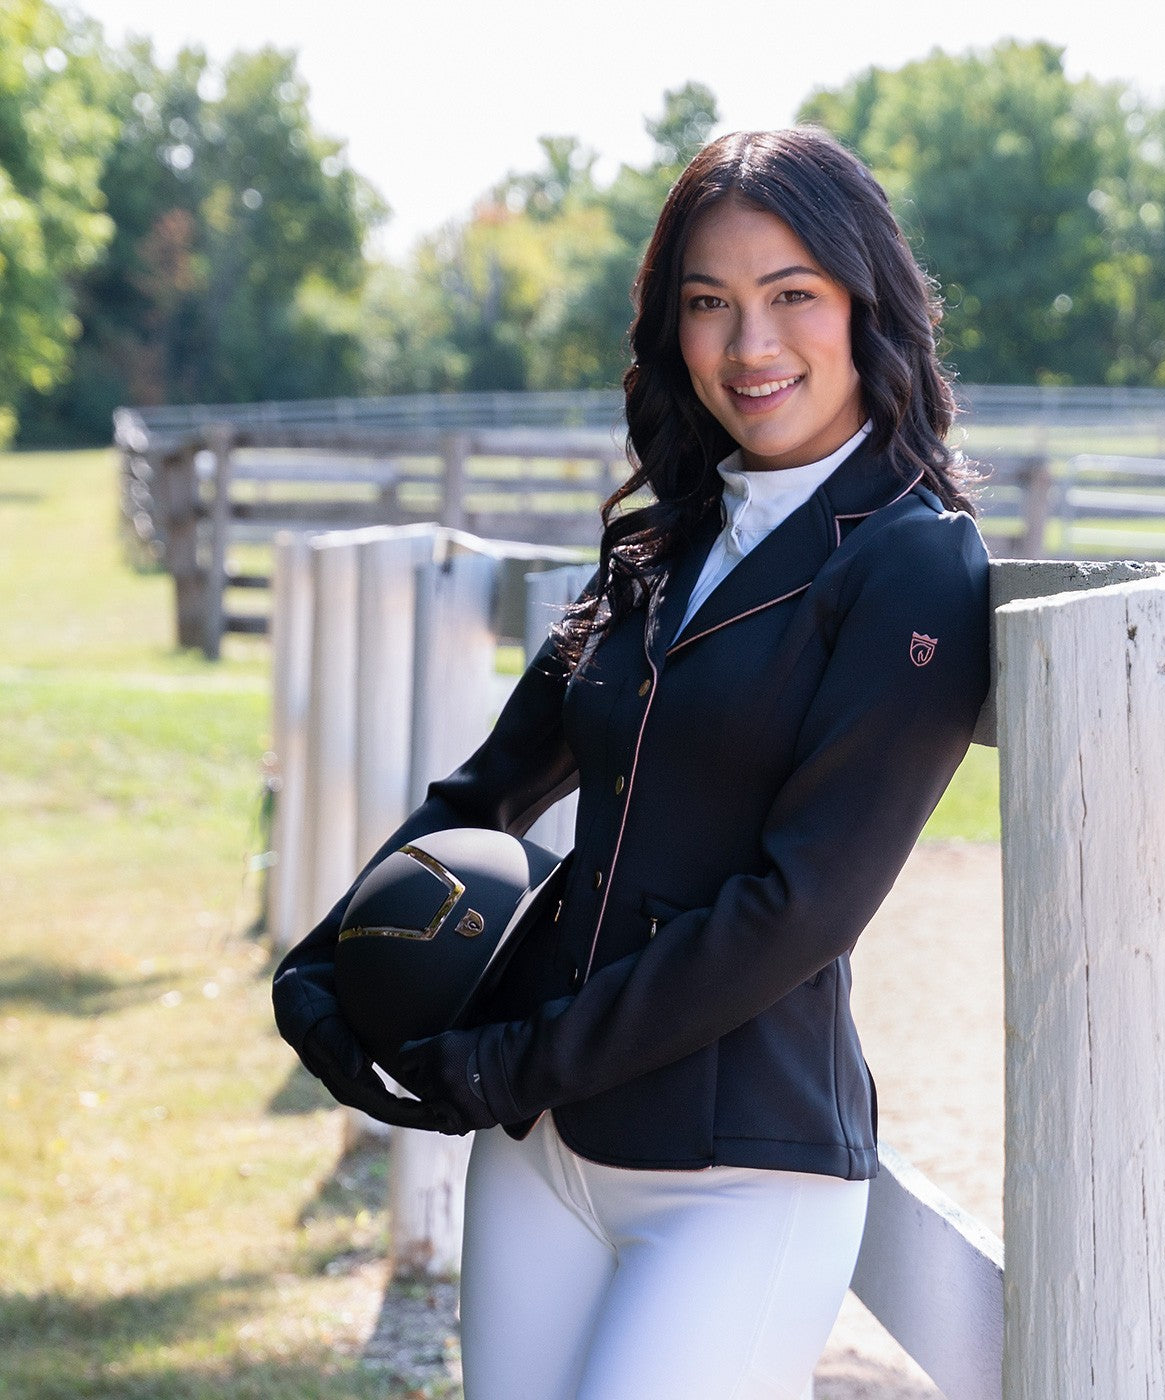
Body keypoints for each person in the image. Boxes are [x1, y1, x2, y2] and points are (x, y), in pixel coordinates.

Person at [273, 126, 991, 1400]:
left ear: (862, 302)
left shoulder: (911, 563)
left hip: (740, 1173)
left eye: (790, 295)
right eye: (707, 303)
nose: (748, 344)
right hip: (541, 1155)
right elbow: (485, 791)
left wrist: (511, 1061)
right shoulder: (657, 551)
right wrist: (319, 961)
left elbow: (803, 905)